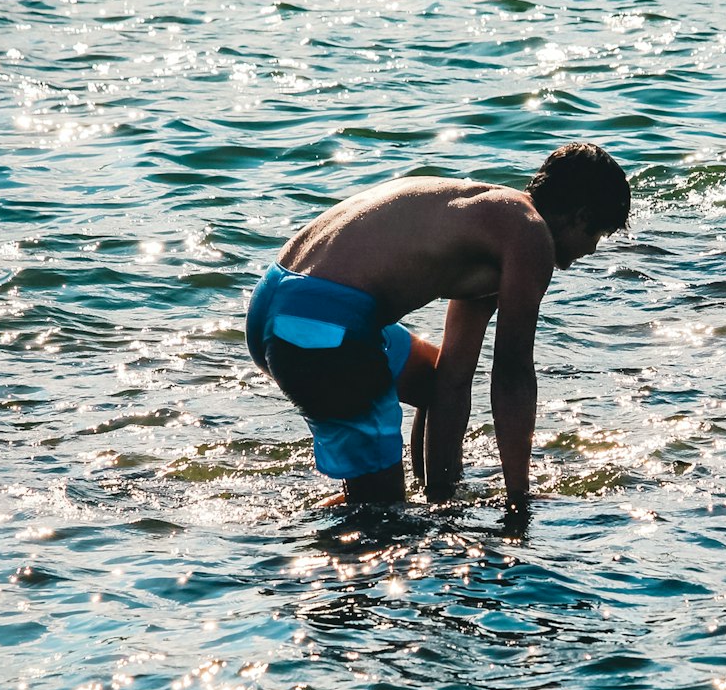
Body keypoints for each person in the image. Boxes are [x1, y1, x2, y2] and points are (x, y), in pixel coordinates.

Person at [245, 142, 630, 512]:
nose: (591, 250)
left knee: (430, 380)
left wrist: (443, 498)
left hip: (275, 305)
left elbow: (452, 377)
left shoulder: (495, 219)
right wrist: (519, 498)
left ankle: (431, 493)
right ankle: (288, 546)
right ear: (580, 215)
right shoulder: (531, 236)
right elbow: (512, 373)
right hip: (321, 323)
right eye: (596, 235)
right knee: (381, 516)